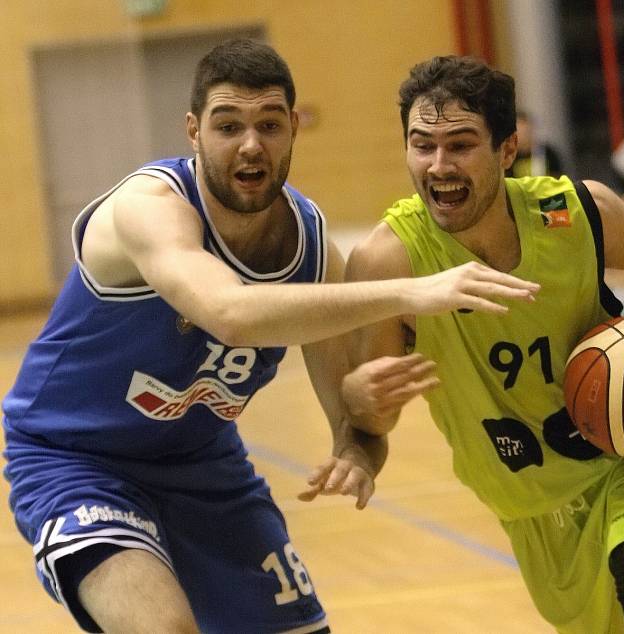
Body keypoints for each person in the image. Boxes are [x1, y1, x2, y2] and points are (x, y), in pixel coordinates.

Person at [1, 40, 539, 634]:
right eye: (228, 125)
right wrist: (412, 290)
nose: (251, 144)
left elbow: (353, 422)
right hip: (76, 460)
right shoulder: (147, 207)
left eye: (269, 125)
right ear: (193, 132)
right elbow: (229, 312)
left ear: (292, 133)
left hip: (205, 466)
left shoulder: (310, 250)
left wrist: (359, 449)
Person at [342, 55, 624, 633]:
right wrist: (358, 399)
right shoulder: (388, 260)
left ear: (507, 151)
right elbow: (371, 416)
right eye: (421, 144)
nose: (438, 164)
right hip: (532, 509)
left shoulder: (575, 211)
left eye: (460, 144)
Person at [505, 110, 563, 179]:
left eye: (524, 132)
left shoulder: (547, 153)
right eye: (518, 133)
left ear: (530, 130)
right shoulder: (509, 156)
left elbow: (557, 179)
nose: (522, 136)